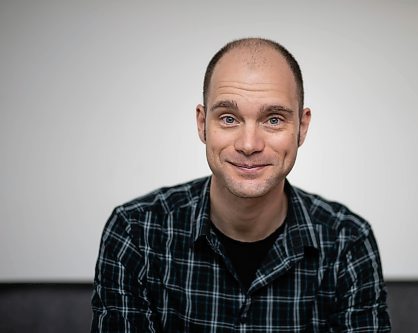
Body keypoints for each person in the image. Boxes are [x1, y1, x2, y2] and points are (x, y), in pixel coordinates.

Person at [91, 37, 391, 332]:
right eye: (229, 118)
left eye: (273, 120)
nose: (249, 145)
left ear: (302, 127)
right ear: (202, 123)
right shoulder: (136, 231)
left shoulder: (347, 241)